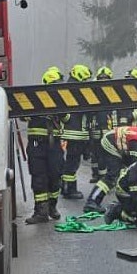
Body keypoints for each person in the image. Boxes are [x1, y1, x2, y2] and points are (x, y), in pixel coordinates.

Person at [25, 66, 66, 224]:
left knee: (55, 176)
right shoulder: (34, 98)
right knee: (39, 177)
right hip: (36, 144)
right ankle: (40, 211)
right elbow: (24, 116)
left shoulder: (63, 99)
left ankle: (52, 207)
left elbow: (67, 118)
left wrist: (58, 109)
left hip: (54, 145)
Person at [83, 125, 137, 214]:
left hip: (117, 141)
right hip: (111, 142)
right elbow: (135, 171)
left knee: (125, 174)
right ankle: (92, 202)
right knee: (112, 176)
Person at [59, 63, 93, 199]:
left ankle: (66, 187)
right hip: (77, 135)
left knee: (70, 161)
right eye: (85, 80)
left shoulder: (69, 89)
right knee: (72, 163)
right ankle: (69, 190)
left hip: (70, 134)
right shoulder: (79, 92)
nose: (87, 83)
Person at [87, 65, 115, 183]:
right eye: (101, 78)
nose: (103, 81)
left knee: (104, 152)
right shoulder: (93, 91)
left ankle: (102, 176)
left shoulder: (113, 92)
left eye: (105, 79)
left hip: (106, 127)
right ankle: (97, 175)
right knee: (95, 152)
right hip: (96, 127)